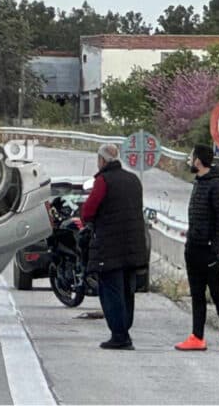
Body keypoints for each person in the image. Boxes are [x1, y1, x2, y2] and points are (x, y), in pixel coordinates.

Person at [81, 143, 148, 350]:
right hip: (134, 246)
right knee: (128, 291)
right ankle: (124, 330)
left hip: (110, 247)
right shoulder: (133, 180)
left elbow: (89, 211)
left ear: (102, 160)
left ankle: (119, 335)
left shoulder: (103, 181)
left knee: (111, 291)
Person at [175, 144, 219, 352]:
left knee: (217, 292)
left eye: (192, 156)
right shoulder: (198, 183)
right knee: (197, 294)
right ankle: (197, 336)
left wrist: (216, 248)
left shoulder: (217, 185)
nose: (190, 160)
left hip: (209, 250)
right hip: (194, 246)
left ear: (198, 160)